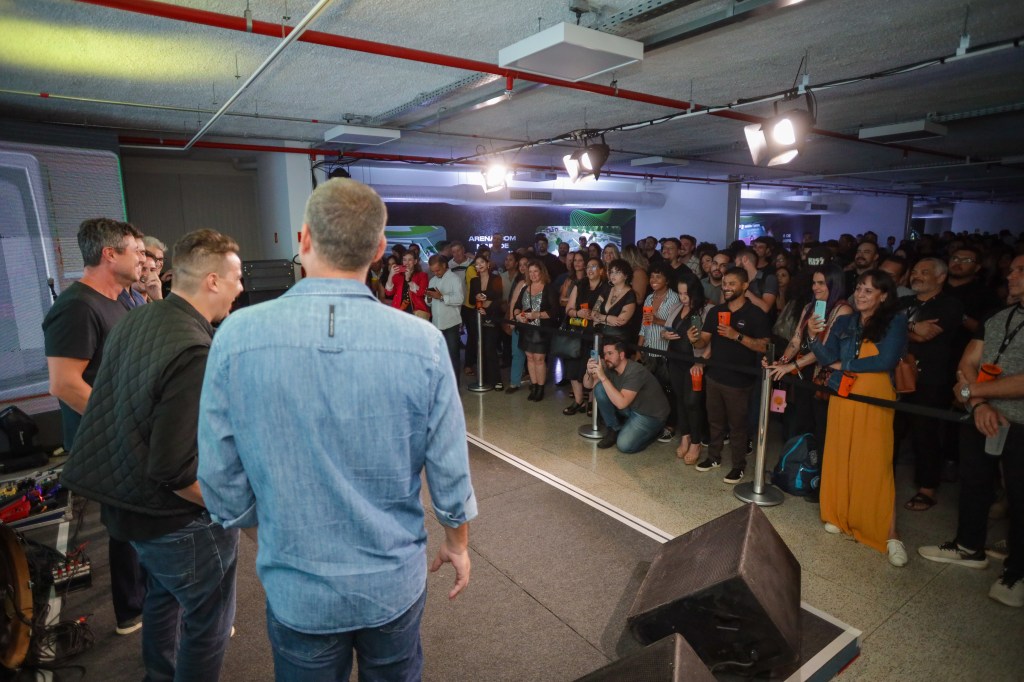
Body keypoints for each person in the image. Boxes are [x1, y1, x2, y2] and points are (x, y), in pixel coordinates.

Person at [197, 178, 476, 679]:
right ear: (380, 248)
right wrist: (456, 542)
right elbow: (450, 469)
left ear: (303, 239)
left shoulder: (236, 335)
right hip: (392, 581)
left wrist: (271, 532)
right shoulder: (425, 343)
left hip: (297, 585)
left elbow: (219, 476)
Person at [61, 229, 244, 680]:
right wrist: (234, 507)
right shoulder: (194, 351)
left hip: (129, 508)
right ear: (213, 281)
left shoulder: (139, 317)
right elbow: (174, 470)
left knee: (163, 598)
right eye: (236, 277)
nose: (241, 288)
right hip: (174, 521)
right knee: (209, 624)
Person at [43, 217, 147, 636]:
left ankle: (152, 601)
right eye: (135, 251)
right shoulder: (77, 307)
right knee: (127, 522)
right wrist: (119, 419)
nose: (143, 258)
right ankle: (131, 611)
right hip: (106, 437)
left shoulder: (121, 300)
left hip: (129, 429)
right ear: (109, 254)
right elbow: (64, 383)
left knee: (144, 517)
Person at [918, 254, 1024, 607]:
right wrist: (978, 404)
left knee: (1020, 496)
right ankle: (968, 546)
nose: (1011, 275)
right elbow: (968, 360)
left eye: (1021, 271)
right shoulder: (998, 316)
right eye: (1011, 269)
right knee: (975, 483)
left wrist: (972, 392)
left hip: (1020, 424)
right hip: (980, 415)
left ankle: (1017, 572)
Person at [807, 269, 909, 567]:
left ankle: (888, 532)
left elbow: (886, 360)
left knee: (874, 458)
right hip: (843, 392)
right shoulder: (845, 321)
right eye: (859, 288)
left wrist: (846, 364)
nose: (861, 295)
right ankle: (840, 514)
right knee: (840, 452)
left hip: (875, 394)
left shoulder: (894, 321)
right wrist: (812, 337)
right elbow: (827, 358)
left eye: (869, 290)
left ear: (884, 296)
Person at [769, 265, 854, 477]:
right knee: (799, 422)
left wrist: (791, 365)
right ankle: (800, 471)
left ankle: (821, 478)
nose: (815, 287)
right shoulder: (810, 306)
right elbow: (797, 339)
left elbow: (824, 350)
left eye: (821, 283)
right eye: (814, 283)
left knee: (821, 428)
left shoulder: (842, 310)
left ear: (834, 284)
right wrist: (782, 361)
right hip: (803, 373)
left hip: (824, 377)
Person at [689, 267, 770, 484]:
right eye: (725, 284)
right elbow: (703, 342)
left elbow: (764, 346)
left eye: (732, 284)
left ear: (745, 286)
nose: (726, 287)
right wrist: (694, 339)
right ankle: (713, 457)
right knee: (714, 421)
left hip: (740, 381)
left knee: (737, 426)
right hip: (714, 376)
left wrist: (737, 336)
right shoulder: (715, 312)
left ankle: (738, 466)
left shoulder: (755, 314)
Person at [895, 258, 963, 511]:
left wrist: (901, 329)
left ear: (941, 277)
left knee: (925, 433)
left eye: (925, 272)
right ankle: (882, 478)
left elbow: (926, 336)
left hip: (931, 378)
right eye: (914, 271)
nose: (917, 276)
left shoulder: (950, 305)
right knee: (891, 429)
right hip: (897, 373)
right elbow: (883, 326)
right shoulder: (904, 302)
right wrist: (912, 326)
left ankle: (927, 488)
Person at [584, 340, 670, 453]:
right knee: (599, 388)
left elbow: (621, 404)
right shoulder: (611, 367)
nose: (606, 358)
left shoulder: (635, 371)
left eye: (610, 353)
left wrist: (603, 377)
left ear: (621, 355)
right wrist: (588, 372)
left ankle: (655, 431)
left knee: (624, 445)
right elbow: (588, 385)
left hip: (650, 415)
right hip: (631, 407)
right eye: (605, 354)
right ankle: (614, 428)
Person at [662, 276, 710, 464]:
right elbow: (665, 329)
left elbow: (712, 342)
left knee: (692, 402)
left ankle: (696, 442)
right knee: (680, 399)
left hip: (693, 362)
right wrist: (665, 334)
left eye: (686, 294)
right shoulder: (676, 308)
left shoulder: (706, 310)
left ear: (695, 293)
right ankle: (685, 436)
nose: (683, 298)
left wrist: (701, 362)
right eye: (680, 293)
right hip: (675, 359)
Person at [637, 262, 681, 442]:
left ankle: (670, 426)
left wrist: (657, 320)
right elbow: (644, 325)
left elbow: (678, 325)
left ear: (667, 280)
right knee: (650, 390)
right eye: (652, 276)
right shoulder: (649, 298)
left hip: (665, 352)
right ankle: (653, 422)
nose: (654, 280)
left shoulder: (675, 298)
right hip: (648, 350)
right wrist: (639, 348)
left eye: (658, 276)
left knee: (668, 391)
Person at [564, 258, 609, 415]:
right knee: (573, 366)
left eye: (594, 266)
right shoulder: (580, 284)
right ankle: (578, 401)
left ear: (601, 270)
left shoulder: (606, 287)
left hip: (596, 333)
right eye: (588, 266)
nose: (590, 269)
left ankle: (591, 402)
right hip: (577, 331)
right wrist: (578, 313)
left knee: (591, 367)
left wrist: (594, 315)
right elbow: (568, 309)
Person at [513, 259, 558, 402]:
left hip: (542, 330)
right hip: (526, 329)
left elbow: (554, 312)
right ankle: (534, 385)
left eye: (535, 271)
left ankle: (540, 388)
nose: (532, 274)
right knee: (530, 357)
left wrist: (537, 315)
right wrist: (517, 315)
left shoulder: (549, 288)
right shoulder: (525, 288)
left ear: (542, 272)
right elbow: (517, 306)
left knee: (539, 359)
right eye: (530, 272)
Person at [468, 253, 504, 389]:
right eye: (477, 264)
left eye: (482, 262)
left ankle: (497, 380)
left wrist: (487, 307)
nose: (480, 265)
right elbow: (471, 300)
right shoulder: (474, 281)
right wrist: (477, 297)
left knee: (490, 348)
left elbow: (499, 298)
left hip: (492, 316)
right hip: (477, 317)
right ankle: (484, 378)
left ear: (488, 264)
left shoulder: (496, 278)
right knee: (480, 348)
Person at [425, 255, 464, 375]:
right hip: (437, 324)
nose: (435, 273)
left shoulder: (454, 279)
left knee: (453, 357)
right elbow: (428, 302)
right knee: (438, 357)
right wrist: (429, 298)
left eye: (438, 270)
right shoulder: (432, 280)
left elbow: (460, 299)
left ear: (444, 265)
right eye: (433, 271)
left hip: (451, 323)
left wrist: (441, 297)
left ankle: (454, 385)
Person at [592, 258, 641, 346]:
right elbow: (593, 313)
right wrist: (609, 318)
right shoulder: (606, 290)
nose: (613, 275)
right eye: (612, 272)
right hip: (600, 336)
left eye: (617, 272)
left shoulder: (630, 294)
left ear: (625, 276)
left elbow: (621, 321)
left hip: (618, 341)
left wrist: (600, 319)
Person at [504, 255, 530, 394]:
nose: (522, 267)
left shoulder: (541, 283)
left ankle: (537, 383)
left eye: (525, 264)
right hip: (519, 322)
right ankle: (514, 382)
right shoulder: (520, 283)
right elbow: (513, 302)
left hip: (534, 324)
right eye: (520, 265)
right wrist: (512, 320)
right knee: (517, 352)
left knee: (534, 355)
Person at [384, 250, 430, 318]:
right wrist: (391, 275)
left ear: (415, 261)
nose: (406, 263)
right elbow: (388, 292)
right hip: (399, 311)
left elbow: (421, 292)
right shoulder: (398, 276)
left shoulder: (422, 275)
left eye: (410, 260)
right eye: (404, 260)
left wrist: (409, 280)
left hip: (417, 312)